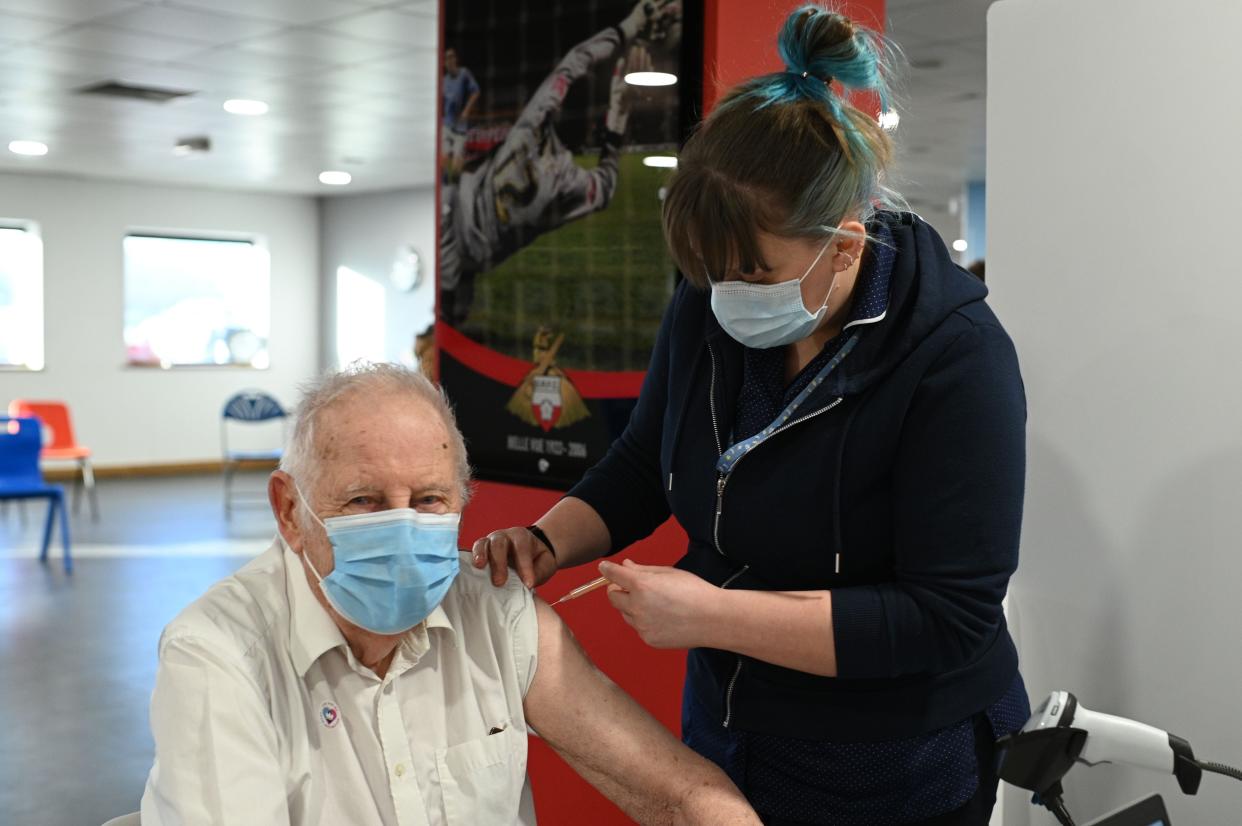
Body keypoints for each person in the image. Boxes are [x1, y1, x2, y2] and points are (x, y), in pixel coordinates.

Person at [472, 5, 1031, 824]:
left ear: (845, 245)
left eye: (750, 270)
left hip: (895, 757)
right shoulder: (714, 307)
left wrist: (713, 614)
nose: (724, 292)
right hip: (734, 727)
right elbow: (642, 464)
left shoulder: (955, 358)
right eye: (706, 269)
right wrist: (550, 539)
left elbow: (946, 618)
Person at [140, 363, 759, 826]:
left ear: (464, 501)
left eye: (430, 499)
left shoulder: (495, 612)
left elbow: (679, 795)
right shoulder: (218, 657)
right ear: (289, 511)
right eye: (364, 501)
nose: (403, 527)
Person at [439, 0, 673, 325]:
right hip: (473, 247)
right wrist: (618, 116)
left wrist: (626, 29)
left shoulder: (533, 127)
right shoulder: (568, 183)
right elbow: (604, 188)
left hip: (458, 224)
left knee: (449, 197)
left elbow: (573, 63)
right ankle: (452, 310)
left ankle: (451, 311)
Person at [442, 47, 480, 182]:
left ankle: (455, 181)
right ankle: (446, 181)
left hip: (461, 128)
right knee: (444, 159)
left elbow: (476, 92)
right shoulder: (443, 82)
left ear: (456, 59)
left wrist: (466, 111)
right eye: (446, 58)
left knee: (457, 165)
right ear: (444, 63)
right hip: (446, 126)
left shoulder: (464, 74)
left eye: (451, 57)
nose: (449, 60)